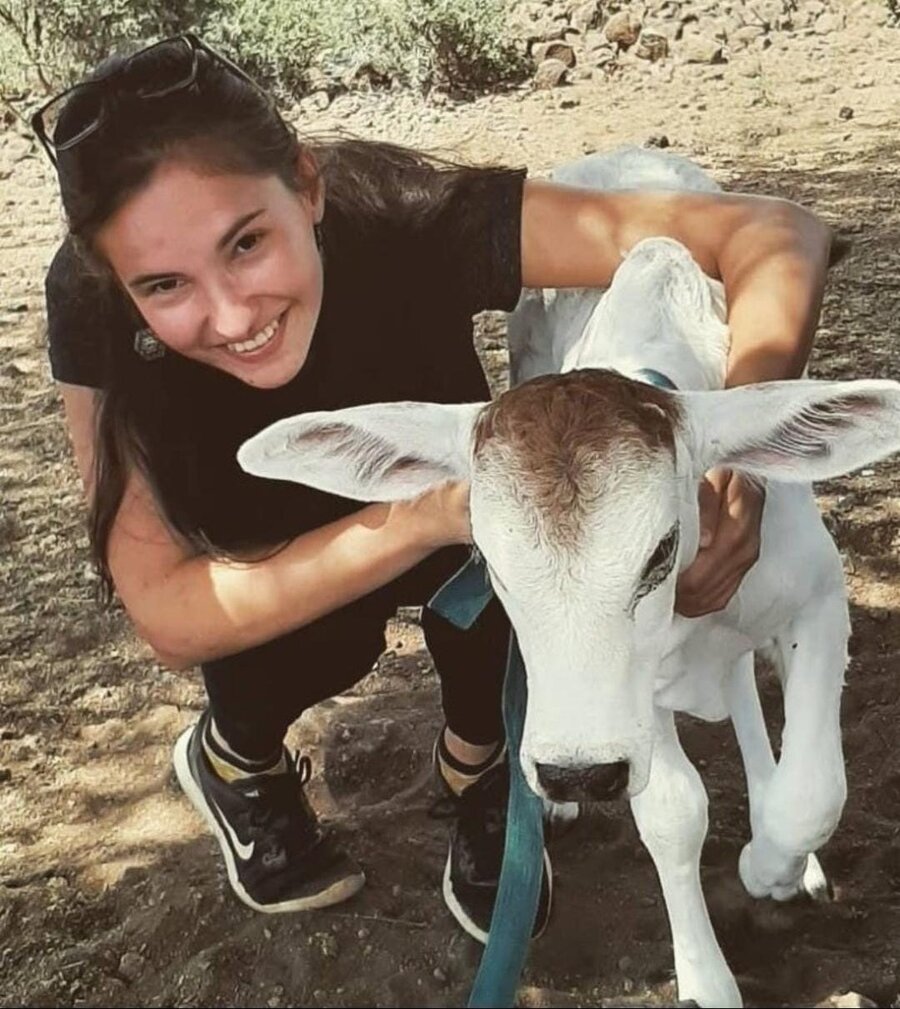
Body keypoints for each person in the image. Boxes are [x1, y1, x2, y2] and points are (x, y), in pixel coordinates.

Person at [38, 34, 835, 937]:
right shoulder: (91, 304)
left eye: (248, 242)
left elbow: (774, 233)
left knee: (530, 571)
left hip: (454, 495)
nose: (231, 315)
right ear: (115, 281)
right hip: (261, 532)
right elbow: (171, 614)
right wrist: (422, 517)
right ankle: (237, 760)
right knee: (310, 641)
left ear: (306, 185)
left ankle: (476, 763)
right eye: (164, 284)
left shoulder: (413, 214)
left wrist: (733, 453)